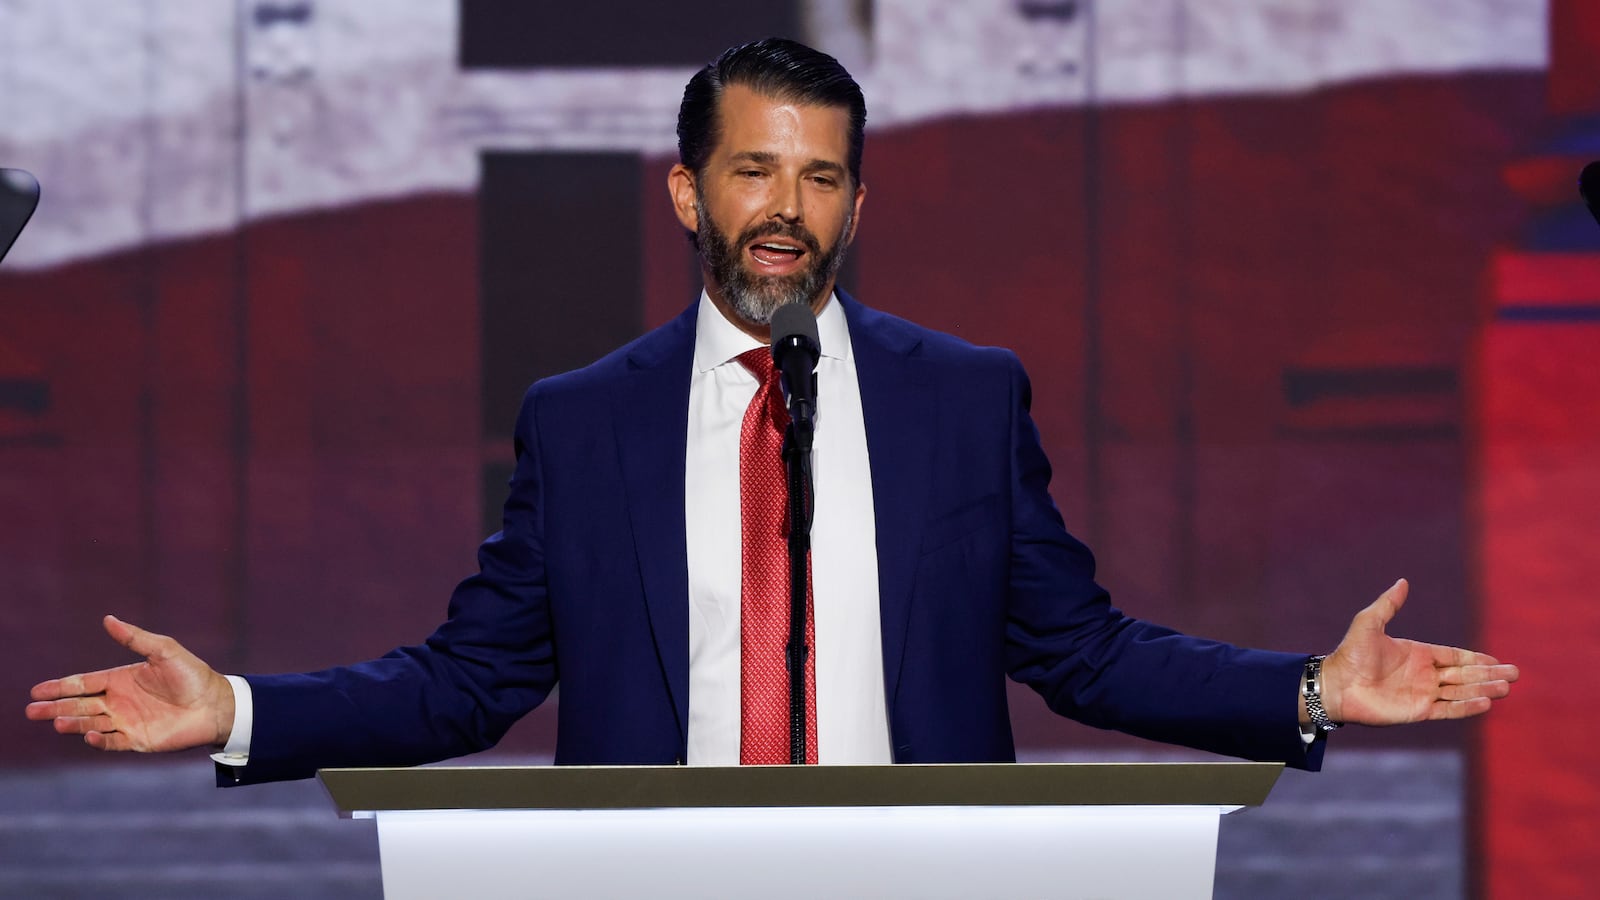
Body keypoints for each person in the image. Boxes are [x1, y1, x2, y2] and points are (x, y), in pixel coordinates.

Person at [26, 39, 1517, 784]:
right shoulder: (582, 421)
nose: (786, 210)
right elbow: (466, 682)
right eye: (754, 171)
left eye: (820, 178)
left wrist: (1310, 693)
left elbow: (1083, 652)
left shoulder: (967, 397)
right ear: (689, 191)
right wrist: (238, 711)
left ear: (857, 201)